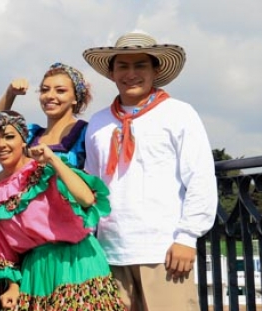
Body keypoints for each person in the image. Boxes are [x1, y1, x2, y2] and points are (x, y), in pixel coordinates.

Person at [81, 31, 216, 310]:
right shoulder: (98, 122)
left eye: (140, 65)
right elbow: (93, 186)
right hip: (110, 252)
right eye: (123, 66)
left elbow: (200, 177)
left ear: (155, 70)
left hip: (164, 251)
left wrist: (187, 237)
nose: (131, 74)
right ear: (112, 72)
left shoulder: (179, 113)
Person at [0, 110, 124, 310]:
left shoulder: (46, 169)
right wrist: (13, 286)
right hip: (37, 272)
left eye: (9, 137)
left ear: (24, 140)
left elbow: (86, 199)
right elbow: (3, 249)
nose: (1, 144)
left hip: (77, 262)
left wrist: (53, 160)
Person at [0, 63, 93, 168]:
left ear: (75, 98)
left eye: (60, 91)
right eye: (44, 90)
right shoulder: (29, 135)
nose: (50, 96)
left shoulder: (87, 133)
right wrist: (10, 93)